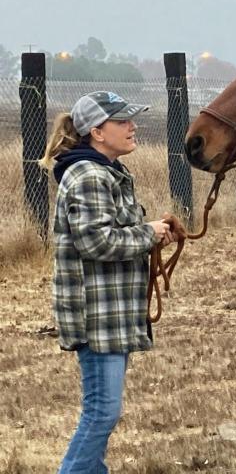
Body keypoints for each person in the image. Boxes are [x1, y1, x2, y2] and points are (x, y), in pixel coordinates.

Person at [40, 91, 175, 473]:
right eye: (123, 121)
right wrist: (148, 233)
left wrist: (152, 232)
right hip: (96, 316)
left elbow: (113, 233)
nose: (133, 127)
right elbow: (96, 241)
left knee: (104, 411)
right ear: (97, 132)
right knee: (102, 412)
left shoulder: (108, 172)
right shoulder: (88, 176)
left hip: (111, 313)